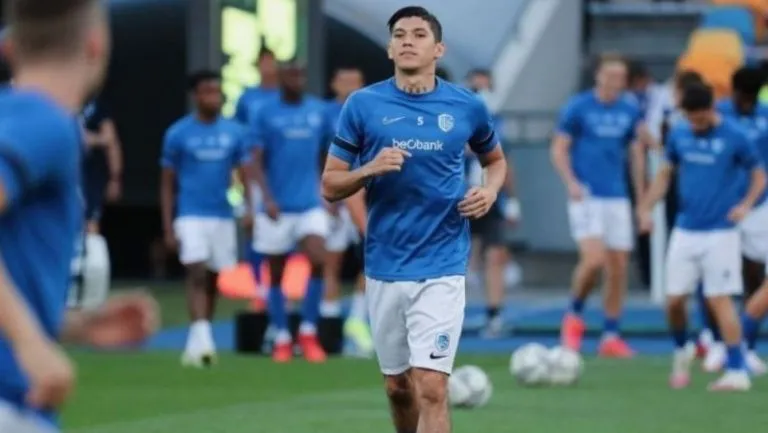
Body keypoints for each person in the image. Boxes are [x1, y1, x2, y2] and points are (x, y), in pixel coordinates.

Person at [322, 7, 507, 433]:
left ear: (437, 48)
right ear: (389, 47)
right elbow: (330, 185)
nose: (408, 40)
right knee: (398, 388)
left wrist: (490, 191)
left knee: (433, 387)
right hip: (385, 264)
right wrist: (369, 169)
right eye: (400, 34)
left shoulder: (466, 107)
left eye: (419, 34)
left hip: (442, 264)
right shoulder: (363, 105)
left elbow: (495, 161)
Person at [0, 1, 158, 431]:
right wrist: (30, 344)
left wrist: (78, 325)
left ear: (11, 48)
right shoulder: (45, 122)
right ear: (96, 43)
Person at [637, 82, 765, 391]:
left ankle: (737, 371)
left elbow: (759, 174)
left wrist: (746, 205)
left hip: (720, 232)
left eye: (700, 118)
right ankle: (683, 349)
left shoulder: (736, 136)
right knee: (674, 302)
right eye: (690, 118)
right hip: (685, 229)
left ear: (711, 110)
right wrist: (645, 207)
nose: (695, 124)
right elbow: (665, 174)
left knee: (720, 299)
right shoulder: (680, 134)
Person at [551, 53, 648, 357]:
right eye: (611, 75)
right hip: (587, 195)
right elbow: (559, 148)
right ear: (599, 76)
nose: (616, 81)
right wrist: (571, 183)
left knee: (618, 266)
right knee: (594, 260)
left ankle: (610, 333)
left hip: (617, 195)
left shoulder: (630, 109)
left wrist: (641, 199)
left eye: (621, 76)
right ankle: (574, 315)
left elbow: (636, 153)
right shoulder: (578, 107)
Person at [160, 70, 251, 368]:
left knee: (212, 279)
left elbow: (243, 174)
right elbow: (167, 183)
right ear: (195, 96)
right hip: (190, 213)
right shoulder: (178, 133)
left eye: (217, 91)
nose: (214, 96)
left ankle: (197, 341)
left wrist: (249, 207)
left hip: (221, 214)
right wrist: (168, 225)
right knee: (196, 272)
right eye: (207, 91)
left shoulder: (234, 132)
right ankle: (204, 341)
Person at [250, 61, 333, 363]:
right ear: (281, 79)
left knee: (319, 258)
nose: (296, 79)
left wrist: (329, 190)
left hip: (310, 204)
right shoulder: (265, 113)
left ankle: (309, 332)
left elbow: (328, 152)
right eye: (291, 74)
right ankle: (283, 335)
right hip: (277, 206)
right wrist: (266, 198)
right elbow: (255, 160)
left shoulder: (318, 111)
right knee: (276, 272)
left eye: (300, 74)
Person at [717, 66, 768, 375]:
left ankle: (744, 346)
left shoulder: (765, 116)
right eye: (743, 97)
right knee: (718, 279)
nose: (747, 103)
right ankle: (715, 342)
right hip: (722, 206)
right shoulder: (716, 114)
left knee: (756, 276)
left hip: (760, 206)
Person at [320, 66, 373, 356]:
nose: (352, 87)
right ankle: (328, 321)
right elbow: (317, 155)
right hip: (334, 195)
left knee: (371, 254)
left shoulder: (370, 111)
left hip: (363, 191)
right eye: (346, 81)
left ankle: (356, 318)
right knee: (331, 261)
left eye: (357, 82)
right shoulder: (324, 115)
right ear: (334, 84)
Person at [465, 68, 519, 338]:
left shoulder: (498, 123)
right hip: (458, 196)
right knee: (453, 259)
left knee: (496, 255)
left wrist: (513, 201)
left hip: (490, 196)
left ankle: (494, 314)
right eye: (476, 89)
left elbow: (504, 162)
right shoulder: (453, 118)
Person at [82, 97, 122, 234]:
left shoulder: (96, 108)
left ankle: (90, 254)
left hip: (90, 175)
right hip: (64, 172)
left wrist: (114, 178)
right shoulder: (56, 103)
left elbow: (111, 140)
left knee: (90, 221)